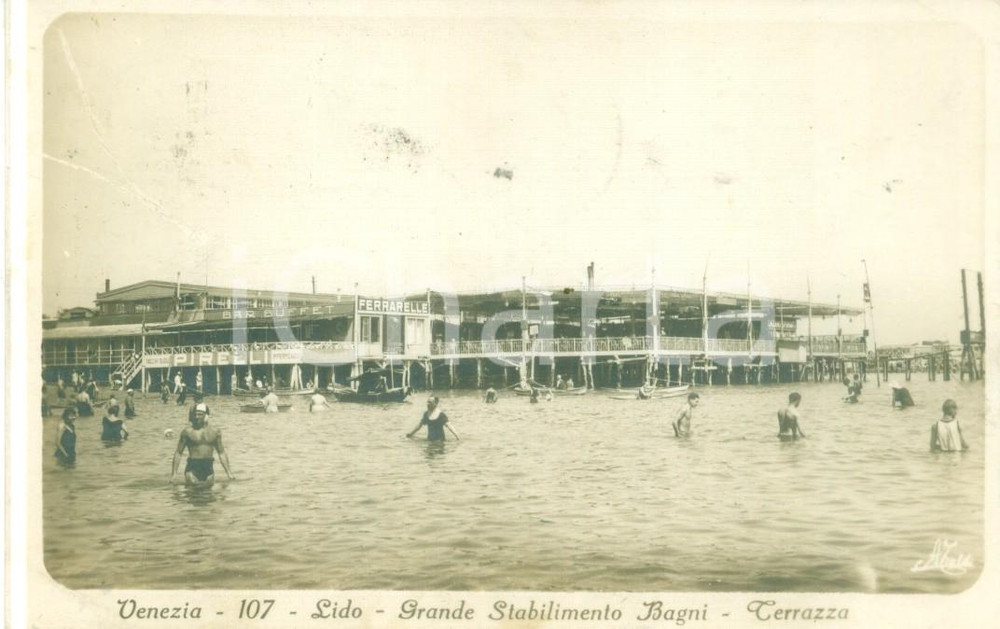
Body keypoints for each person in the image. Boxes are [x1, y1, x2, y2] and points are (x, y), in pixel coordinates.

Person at [170, 403, 233, 486]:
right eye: (195, 414)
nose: (197, 417)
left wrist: (229, 473)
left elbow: (221, 453)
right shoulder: (187, 432)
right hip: (192, 468)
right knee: (193, 491)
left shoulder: (215, 432)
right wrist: (174, 475)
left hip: (208, 468)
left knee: (208, 496)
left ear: (206, 416)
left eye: (200, 414)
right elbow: (178, 452)